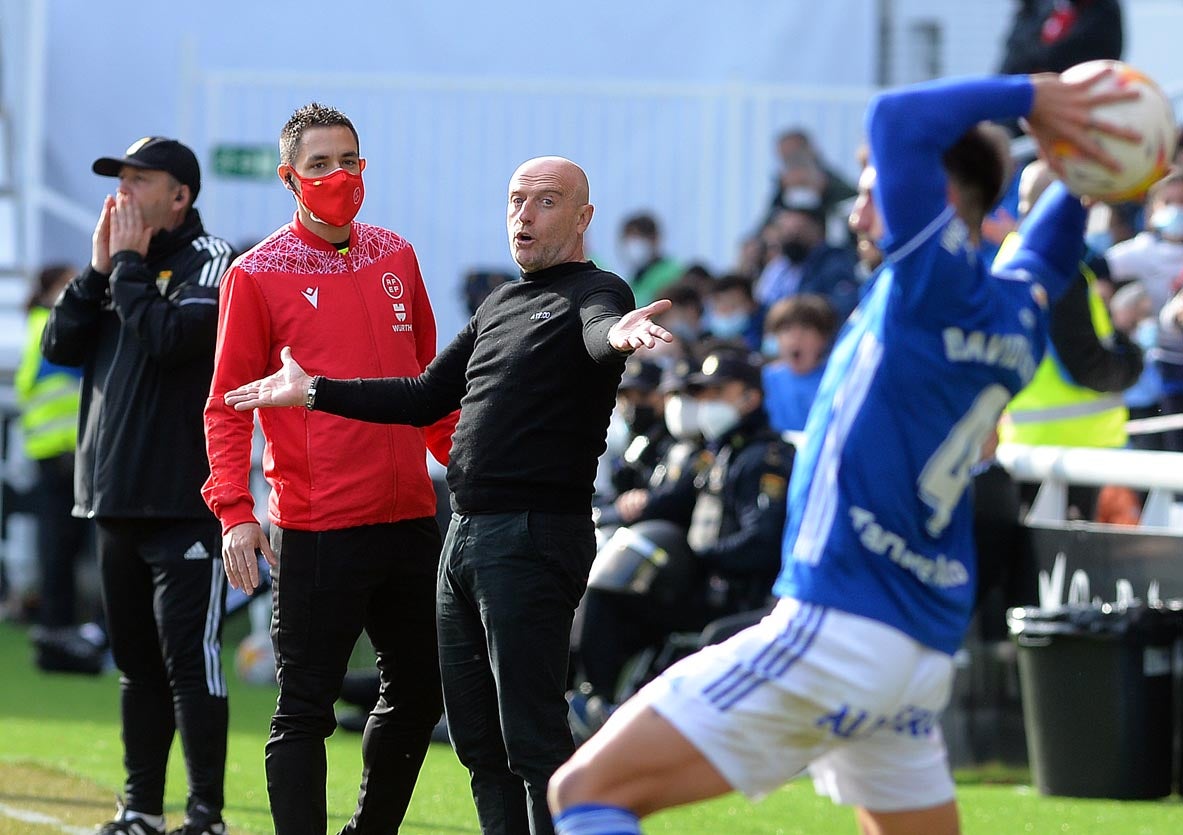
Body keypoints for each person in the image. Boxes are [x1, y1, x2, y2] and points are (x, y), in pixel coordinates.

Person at [545, 68, 1134, 835]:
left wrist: (1035, 98)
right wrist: (1082, 168)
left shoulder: (929, 281)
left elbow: (894, 114)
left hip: (836, 625)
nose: (856, 207)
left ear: (943, 198)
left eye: (870, 187)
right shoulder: (1016, 313)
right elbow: (1051, 246)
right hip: (914, 651)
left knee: (585, 791)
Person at [221, 155, 672, 835]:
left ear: (582, 218)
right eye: (516, 199)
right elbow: (425, 393)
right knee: (478, 743)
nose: (524, 214)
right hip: (464, 533)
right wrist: (312, 389)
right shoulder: (500, 303)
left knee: (532, 738)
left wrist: (619, 335)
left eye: (546, 202)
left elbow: (600, 329)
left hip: (532, 531)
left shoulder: (594, 290)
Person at [201, 102, 455, 835]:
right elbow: (226, 405)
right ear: (289, 178)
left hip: (410, 515)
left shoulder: (397, 255)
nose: (339, 175)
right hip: (318, 526)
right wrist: (235, 513)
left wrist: (466, 468)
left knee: (419, 692)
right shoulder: (255, 275)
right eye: (319, 164)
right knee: (304, 707)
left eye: (349, 159)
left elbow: (430, 389)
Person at [41, 137, 233, 835]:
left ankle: (206, 815)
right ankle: (142, 809)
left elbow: (168, 339)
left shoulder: (211, 261)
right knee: (136, 669)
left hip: (184, 503)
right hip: (112, 500)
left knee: (190, 663)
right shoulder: (116, 271)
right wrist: (98, 273)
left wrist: (122, 265)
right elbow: (59, 346)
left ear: (179, 197)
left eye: (138, 179)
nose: (122, 192)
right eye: (119, 178)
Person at [575, 349, 792, 710]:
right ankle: (596, 701)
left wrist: (697, 558)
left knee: (612, 600)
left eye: (717, 393)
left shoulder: (764, 459)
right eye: (702, 394)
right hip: (706, 588)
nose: (705, 403)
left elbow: (762, 543)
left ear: (750, 397)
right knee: (605, 592)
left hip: (737, 597)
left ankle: (604, 706)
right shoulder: (721, 454)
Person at [16, 264, 102, 674]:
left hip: (56, 455)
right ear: (50, 288)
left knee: (60, 551)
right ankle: (69, 637)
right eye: (66, 283)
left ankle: (60, 635)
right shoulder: (53, 324)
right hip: (67, 455)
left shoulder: (38, 324)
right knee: (73, 551)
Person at [761, 293, 838, 434]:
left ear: (823, 338)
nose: (795, 339)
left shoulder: (837, 377)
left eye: (805, 329)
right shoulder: (766, 379)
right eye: (786, 330)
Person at [617, 212, 683, 307]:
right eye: (628, 239)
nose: (632, 247)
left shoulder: (672, 273)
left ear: (654, 239)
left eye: (637, 238)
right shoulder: (636, 278)